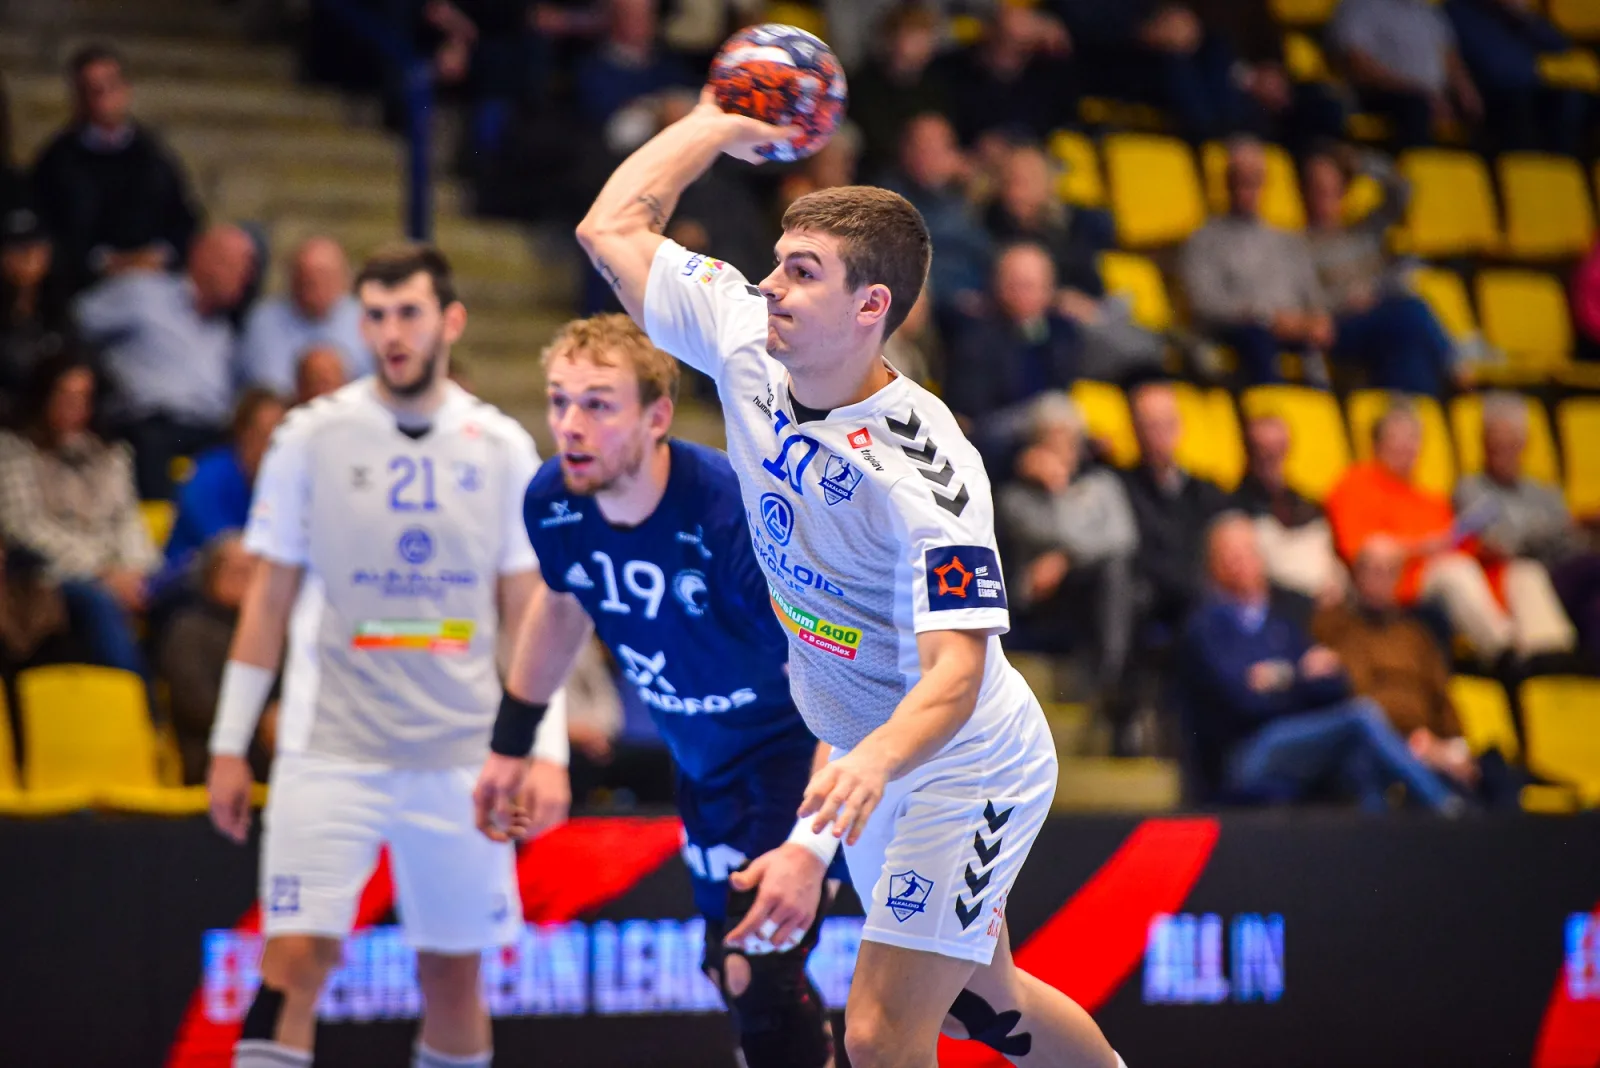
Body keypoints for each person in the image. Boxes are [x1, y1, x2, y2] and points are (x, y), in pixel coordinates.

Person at [575, 87, 1125, 1068]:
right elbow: (610, 229)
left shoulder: (928, 473)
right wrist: (715, 121)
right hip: (861, 748)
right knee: (981, 1006)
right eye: (776, 263)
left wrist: (868, 767)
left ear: (871, 306)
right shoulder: (747, 337)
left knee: (878, 1032)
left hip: (960, 759)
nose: (770, 287)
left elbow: (955, 673)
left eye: (802, 272)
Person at [205, 244, 547, 1068]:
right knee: (292, 962)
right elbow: (268, 599)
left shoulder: (503, 447)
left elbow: (532, 614)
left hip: (461, 757)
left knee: (454, 979)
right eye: (377, 315)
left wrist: (545, 753)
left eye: (410, 313)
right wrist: (227, 743)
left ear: (450, 321)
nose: (393, 332)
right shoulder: (308, 437)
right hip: (331, 749)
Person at [473, 313, 845, 1068]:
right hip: (702, 761)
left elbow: (841, 679)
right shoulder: (554, 501)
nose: (570, 425)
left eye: (598, 404)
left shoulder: (733, 516)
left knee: (757, 972)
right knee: (728, 968)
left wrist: (814, 840)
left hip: (797, 750)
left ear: (658, 417)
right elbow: (563, 605)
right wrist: (511, 745)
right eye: (559, 400)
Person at [1178, 513, 1462, 813]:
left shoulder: (1285, 618)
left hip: (1299, 738)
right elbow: (1242, 701)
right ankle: (1446, 808)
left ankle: (1381, 838)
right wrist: (1299, 678)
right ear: (1213, 564)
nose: (1240, 562)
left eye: (1247, 551)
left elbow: (1334, 683)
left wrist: (1281, 678)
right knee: (1360, 716)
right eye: (1229, 555)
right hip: (1245, 752)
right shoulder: (1207, 626)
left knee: (1358, 760)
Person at [1325, 402, 1575, 665]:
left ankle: (1551, 657)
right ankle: (1503, 651)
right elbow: (1360, 550)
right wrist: (1423, 547)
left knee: (1524, 571)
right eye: (1396, 437)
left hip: (1457, 572)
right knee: (1455, 570)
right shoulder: (1355, 484)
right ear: (1377, 443)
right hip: (1403, 582)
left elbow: (1459, 545)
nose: (1406, 446)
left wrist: (1484, 548)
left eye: (1412, 438)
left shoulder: (1432, 500)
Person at [1313, 534, 1523, 807]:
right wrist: (1411, 743)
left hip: (1429, 742)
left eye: (1390, 571)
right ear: (1357, 575)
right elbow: (1353, 699)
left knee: (1493, 774)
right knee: (1365, 766)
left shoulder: (1417, 636)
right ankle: (1447, 808)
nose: (1381, 579)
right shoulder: (1339, 629)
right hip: (1373, 742)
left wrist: (1451, 748)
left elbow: (1442, 698)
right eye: (1373, 570)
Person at [74, 223, 258, 499]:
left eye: (248, 269)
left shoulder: (225, 332)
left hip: (209, 433)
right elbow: (74, 321)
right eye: (235, 265)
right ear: (201, 257)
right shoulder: (142, 293)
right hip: (148, 426)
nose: (244, 278)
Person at [0, 352, 155, 676]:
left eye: (84, 396)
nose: (75, 406)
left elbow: (127, 521)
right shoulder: (13, 452)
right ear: (44, 395)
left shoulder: (112, 454)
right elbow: (26, 528)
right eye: (65, 395)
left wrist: (136, 572)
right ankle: (140, 698)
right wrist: (102, 573)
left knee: (181, 599)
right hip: (53, 577)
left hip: (118, 573)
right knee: (99, 603)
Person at [30, 44, 202, 298]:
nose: (102, 98)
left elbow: (184, 220)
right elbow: (50, 233)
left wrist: (158, 256)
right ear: (77, 97)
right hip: (88, 288)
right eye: (91, 90)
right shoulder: (57, 161)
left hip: (157, 279)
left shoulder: (153, 155)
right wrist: (102, 263)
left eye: (109, 86)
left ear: (125, 89)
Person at [997, 392, 1138, 700]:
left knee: (1117, 573)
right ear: (1034, 447)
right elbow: (1060, 532)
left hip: (1092, 586)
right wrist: (1058, 489)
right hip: (1044, 598)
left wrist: (1065, 558)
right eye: (1053, 441)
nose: (1064, 451)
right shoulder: (1015, 498)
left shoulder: (1104, 484)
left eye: (1071, 441)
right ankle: (1108, 684)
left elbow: (1123, 540)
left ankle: (1109, 678)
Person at [1302, 146, 1462, 397]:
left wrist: (1362, 163)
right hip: (1342, 322)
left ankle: (1414, 405)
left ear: (1344, 191)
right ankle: (1454, 365)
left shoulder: (1363, 232)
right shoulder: (1301, 246)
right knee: (1412, 311)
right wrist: (1346, 300)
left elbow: (1402, 191)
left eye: (1333, 190)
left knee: (1408, 350)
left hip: (1382, 316)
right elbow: (1304, 301)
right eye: (1318, 191)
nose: (1325, 199)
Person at [1455, 394, 1600, 666]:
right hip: (1526, 579)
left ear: (1524, 444)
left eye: (1510, 443)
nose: (1502, 450)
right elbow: (1501, 544)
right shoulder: (1472, 489)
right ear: (1483, 443)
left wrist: (1579, 528)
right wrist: (1565, 525)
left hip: (1566, 572)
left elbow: (1571, 543)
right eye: (1495, 442)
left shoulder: (1545, 493)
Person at [1179, 137, 1331, 386]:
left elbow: (1312, 295)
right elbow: (1204, 303)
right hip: (1241, 331)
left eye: (1255, 180)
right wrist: (1267, 317)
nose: (1248, 189)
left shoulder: (1288, 241)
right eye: (1241, 180)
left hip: (1295, 330)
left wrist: (1315, 319)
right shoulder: (1204, 240)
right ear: (1227, 182)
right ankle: (1269, 399)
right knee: (1258, 336)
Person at [1121, 379, 1230, 642]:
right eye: (1150, 425)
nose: (1159, 434)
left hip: (1204, 606)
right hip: (1153, 608)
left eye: (1166, 423)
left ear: (1180, 427)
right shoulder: (1121, 486)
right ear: (1134, 430)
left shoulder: (1207, 491)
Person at [945, 242, 1080, 451]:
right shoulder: (976, 335)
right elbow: (970, 413)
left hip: (1049, 435)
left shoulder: (1062, 333)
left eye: (1030, 285)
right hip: (993, 432)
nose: (1021, 294)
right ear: (997, 285)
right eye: (1014, 284)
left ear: (1049, 289)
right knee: (1053, 409)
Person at [160, 532, 269, 785]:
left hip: (268, 742)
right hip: (209, 749)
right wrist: (261, 721)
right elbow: (195, 704)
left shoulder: (270, 635)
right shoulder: (187, 629)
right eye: (238, 571)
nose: (247, 580)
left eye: (254, 571)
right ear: (212, 575)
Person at [160, 388, 286, 583]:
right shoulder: (206, 475)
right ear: (243, 434)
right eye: (265, 435)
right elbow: (226, 551)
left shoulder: (284, 484)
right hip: (190, 582)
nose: (273, 446)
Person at [1330, 0, 1483, 149]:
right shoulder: (1359, 6)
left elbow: (1450, 55)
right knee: (1416, 108)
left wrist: (1465, 91)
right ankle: (1418, 159)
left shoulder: (1426, 10)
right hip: (1380, 93)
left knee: (1480, 106)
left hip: (1433, 96)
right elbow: (1358, 64)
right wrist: (1423, 94)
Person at [1232, 414, 1346, 606]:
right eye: (1262, 448)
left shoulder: (1309, 506)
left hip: (1322, 604)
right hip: (1273, 606)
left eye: (1278, 447)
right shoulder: (1235, 509)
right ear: (1248, 450)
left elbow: (1331, 562)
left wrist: (1336, 583)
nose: (1270, 456)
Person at [237, 236, 371, 396]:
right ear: (292, 278)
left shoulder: (367, 321)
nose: (314, 282)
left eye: (323, 274)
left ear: (344, 279)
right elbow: (261, 389)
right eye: (305, 274)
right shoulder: (263, 321)